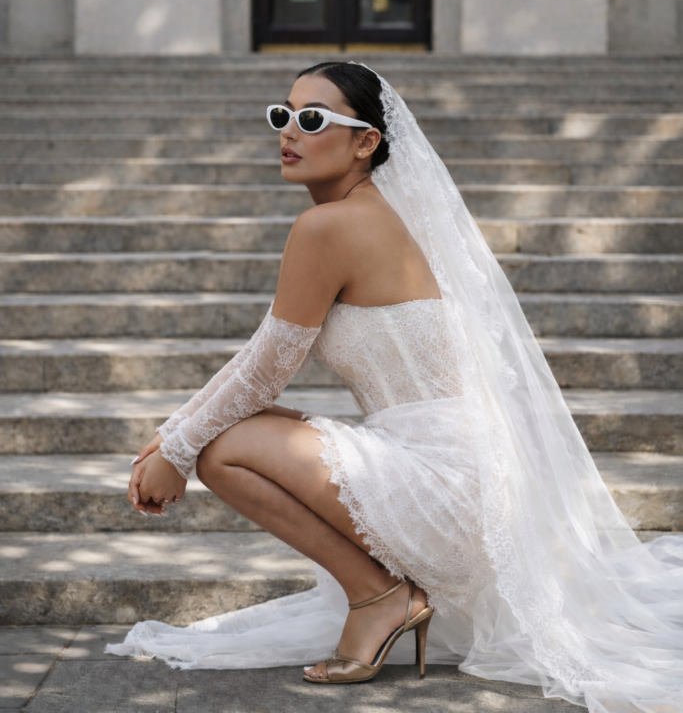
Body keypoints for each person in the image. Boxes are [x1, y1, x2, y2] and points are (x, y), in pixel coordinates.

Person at [109, 62, 683, 708]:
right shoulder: (376, 217)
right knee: (233, 430)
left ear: (365, 143)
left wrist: (178, 449)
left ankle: (380, 597)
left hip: (449, 487)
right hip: (466, 479)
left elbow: (264, 368)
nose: (288, 132)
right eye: (282, 115)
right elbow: (259, 359)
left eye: (313, 119)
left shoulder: (329, 227)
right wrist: (170, 438)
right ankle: (383, 594)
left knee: (222, 449)